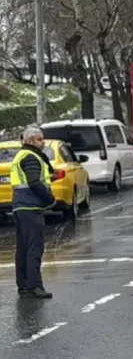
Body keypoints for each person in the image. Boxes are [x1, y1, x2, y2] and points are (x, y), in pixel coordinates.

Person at [12, 126, 56, 299]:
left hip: (20, 206)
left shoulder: (22, 155)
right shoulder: (30, 157)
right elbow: (34, 182)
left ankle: (23, 285)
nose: (43, 142)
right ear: (30, 141)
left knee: (23, 247)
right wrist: (49, 198)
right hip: (30, 207)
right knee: (34, 247)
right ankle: (35, 286)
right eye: (39, 139)